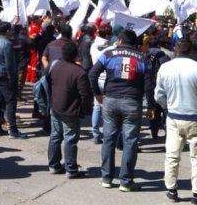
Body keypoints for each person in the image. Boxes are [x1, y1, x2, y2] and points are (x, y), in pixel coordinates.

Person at [89, 29, 154, 192]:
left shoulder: (108, 54)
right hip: (132, 102)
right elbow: (149, 85)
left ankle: (106, 178)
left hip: (111, 100)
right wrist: (151, 106)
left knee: (108, 139)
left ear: (119, 40)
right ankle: (126, 181)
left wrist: (97, 94)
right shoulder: (143, 58)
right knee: (130, 141)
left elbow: (92, 74)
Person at [155, 40, 197, 205]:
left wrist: (167, 106)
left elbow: (159, 95)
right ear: (191, 51)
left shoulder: (165, 68)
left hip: (174, 117)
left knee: (172, 155)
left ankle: (172, 190)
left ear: (176, 50)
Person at [47, 39, 92, 179]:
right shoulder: (79, 72)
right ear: (75, 54)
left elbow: (48, 81)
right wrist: (84, 110)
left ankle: (54, 165)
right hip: (70, 110)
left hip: (56, 106)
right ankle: (71, 169)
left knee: (55, 136)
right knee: (70, 139)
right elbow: (86, 95)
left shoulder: (55, 66)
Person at [0, 22, 22, 138]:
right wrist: (12, 78)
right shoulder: (7, 43)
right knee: (11, 101)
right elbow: (9, 64)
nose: (12, 32)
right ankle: (13, 130)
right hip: (4, 76)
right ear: (7, 31)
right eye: (10, 30)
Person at [89, 23, 113, 144]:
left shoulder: (93, 46)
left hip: (96, 79)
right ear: (108, 35)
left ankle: (95, 134)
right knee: (109, 109)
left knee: (97, 107)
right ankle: (108, 133)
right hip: (107, 80)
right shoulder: (111, 49)